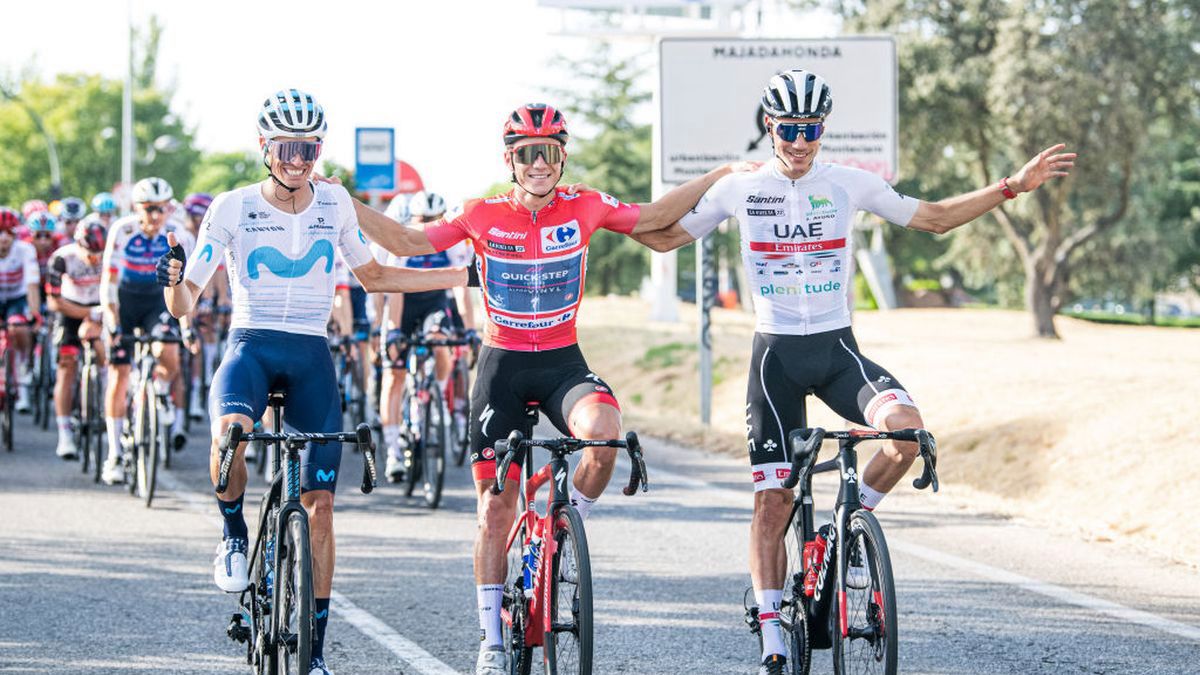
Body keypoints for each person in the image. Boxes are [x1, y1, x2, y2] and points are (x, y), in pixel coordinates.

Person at [631, 68, 1076, 675]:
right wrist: (714, 177)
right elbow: (657, 238)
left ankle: (847, 525)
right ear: (770, 126)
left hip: (838, 351)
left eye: (810, 128)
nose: (799, 140)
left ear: (823, 128)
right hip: (776, 361)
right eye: (788, 127)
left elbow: (937, 218)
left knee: (905, 435)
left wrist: (1011, 187)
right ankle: (770, 628)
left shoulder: (848, 183)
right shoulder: (741, 189)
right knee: (773, 498)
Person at [349, 102, 754, 675]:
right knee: (495, 509)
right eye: (526, 154)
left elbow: (657, 217)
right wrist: (346, 202)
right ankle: (491, 637)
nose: (539, 164)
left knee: (606, 436)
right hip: (502, 368)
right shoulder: (480, 213)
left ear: (562, 157)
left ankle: (565, 528)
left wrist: (718, 178)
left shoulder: (586, 204)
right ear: (510, 160)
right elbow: (411, 242)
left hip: (563, 360)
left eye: (549, 153)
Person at [156, 88, 467, 675]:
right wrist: (173, 280)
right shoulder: (233, 206)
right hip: (251, 345)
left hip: (310, 353)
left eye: (310, 148)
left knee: (321, 505)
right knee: (230, 438)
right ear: (266, 148)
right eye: (289, 147)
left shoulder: (335, 203)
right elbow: (184, 303)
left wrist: (464, 276)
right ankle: (232, 535)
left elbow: (373, 274)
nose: (299, 159)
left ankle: (315, 652)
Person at [98, 177, 195, 485]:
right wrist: (112, 321)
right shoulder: (122, 230)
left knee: (169, 354)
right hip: (125, 301)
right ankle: (113, 453)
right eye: (150, 209)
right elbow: (108, 281)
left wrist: (187, 327)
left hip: (158, 300)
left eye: (163, 208)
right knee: (119, 373)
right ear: (137, 208)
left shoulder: (180, 235)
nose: (156, 216)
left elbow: (187, 288)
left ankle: (161, 394)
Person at [377, 190, 477, 481]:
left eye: (436, 219)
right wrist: (394, 330)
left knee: (439, 339)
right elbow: (394, 290)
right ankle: (394, 449)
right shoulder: (403, 241)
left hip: (434, 300)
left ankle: (437, 401)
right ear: (413, 219)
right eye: (423, 219)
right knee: (394, 374)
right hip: (403, 299)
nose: (430, 224)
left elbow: (460, 287)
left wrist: (469, 328)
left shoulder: (453, 242)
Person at [45, 217, 108, 459]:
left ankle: (102, 408)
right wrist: (86, 314)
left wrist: (99, 315)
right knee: (66, 366)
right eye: (89, 253)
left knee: (106, 356)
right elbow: (53, 301)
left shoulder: (111, 255)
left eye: (98, 253)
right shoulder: (62, 257)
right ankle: (64, 434)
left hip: (101, 309)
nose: (94, 258)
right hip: (70, 310)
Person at [0, 206, 41, 413]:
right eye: (0, 232)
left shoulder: (25, 250)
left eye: (9, 233)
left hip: (17, 297)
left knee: (19, 327)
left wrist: (34, 314)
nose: (4, 238)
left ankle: (24, 365)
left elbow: (32, 285)